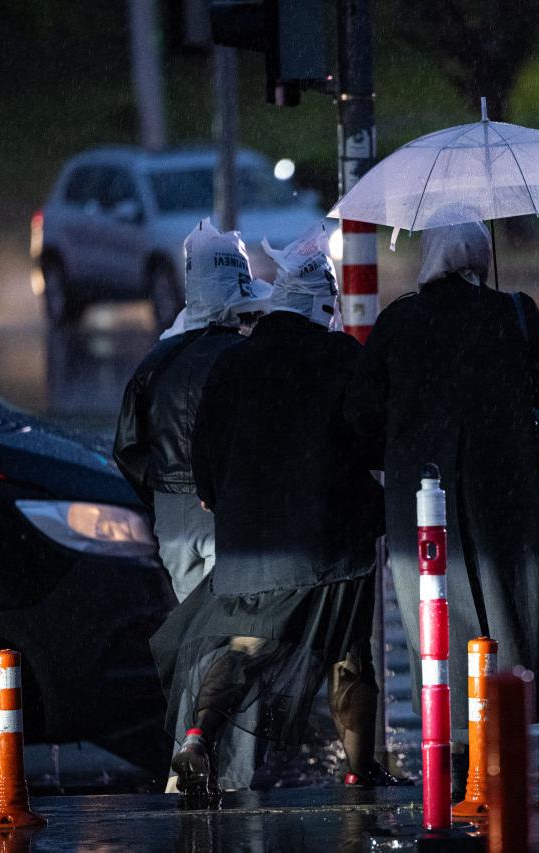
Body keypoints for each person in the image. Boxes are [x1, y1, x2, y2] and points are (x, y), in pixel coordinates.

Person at [150, 222, 401, 794]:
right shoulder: (340, 357)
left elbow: (205, 462)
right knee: (347, 654)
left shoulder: (233, 364)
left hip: (246, 545)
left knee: (245, 646)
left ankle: (197, 739)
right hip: (327, 545)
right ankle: (361, 766)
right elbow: (368, 439)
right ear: (322, 301)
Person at [344, 220, 539, 793]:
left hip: (421, 504)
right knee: (506, 619)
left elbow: (361, 417)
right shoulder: (515, 311)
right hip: (503, 498)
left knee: (438, 626)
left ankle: (458, 760)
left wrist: (399, 448)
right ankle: (501, 757)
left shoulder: (399, 321)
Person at [114, 219, 271, 792]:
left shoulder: (158, 362)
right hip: (236, 514)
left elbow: (127, 447)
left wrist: (162, 500)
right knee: (241, 644)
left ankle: (190, 761)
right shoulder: (248, 359)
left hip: (175, 515)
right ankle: (225, 773)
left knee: (203, 640)